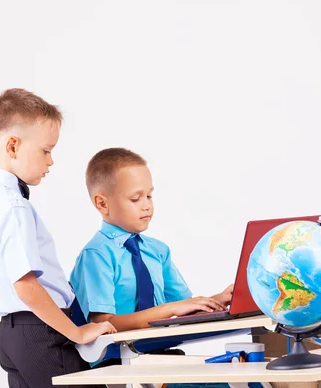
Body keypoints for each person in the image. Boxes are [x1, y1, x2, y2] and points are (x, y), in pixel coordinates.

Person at [0, 88, 116, 388]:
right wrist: (78, 332)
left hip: (11, 335)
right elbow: (26, 285)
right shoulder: (12, 206)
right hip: (42, 332)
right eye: (46, 150)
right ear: (13, 146)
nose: (51, 161)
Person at [70, 147, 233, 365]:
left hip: (159, 353)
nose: (147, 205)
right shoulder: (97, 255)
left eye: (149, 195)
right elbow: (103, 324)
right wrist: (168, 310)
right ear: (102, 203)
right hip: (116, 361)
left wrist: (215, 301)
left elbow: (183, 305)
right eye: (135, 198)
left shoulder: (157, 251)